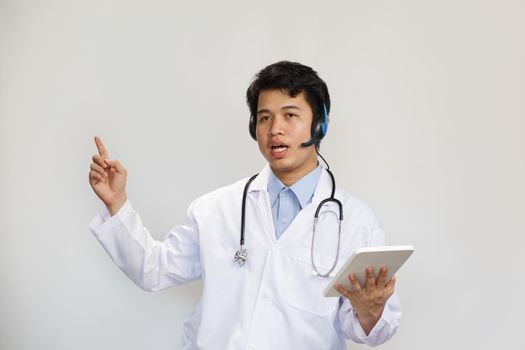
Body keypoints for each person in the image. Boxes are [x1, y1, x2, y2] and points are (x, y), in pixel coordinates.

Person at [88, 61, 401, 349]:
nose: (275, 128)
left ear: (320, 125)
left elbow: (373, 329)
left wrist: (370, 309)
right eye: (265, 118)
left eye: (290, 115)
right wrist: (117, 203)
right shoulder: (215, 209)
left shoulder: (356, 220)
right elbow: (152, 270)